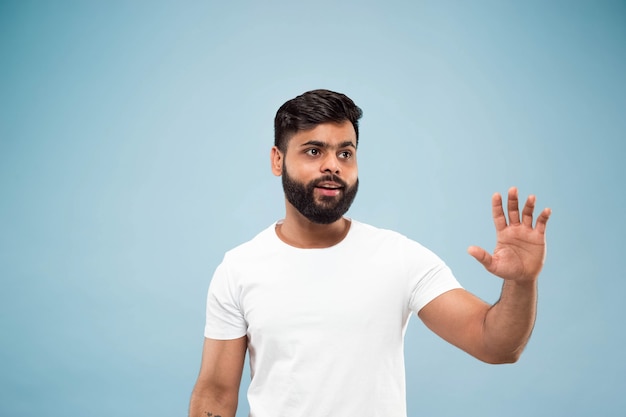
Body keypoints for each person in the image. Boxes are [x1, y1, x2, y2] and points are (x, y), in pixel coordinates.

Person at [188, 89, 551, 417]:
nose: (332, 165)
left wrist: (522, 283)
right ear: (277, 160)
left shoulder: (400, 258)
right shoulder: (239, 268)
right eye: (314, 151)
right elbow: (217, 394)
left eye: (345, 153)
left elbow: (496, 345)